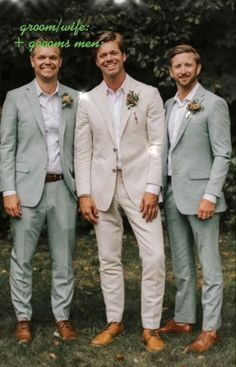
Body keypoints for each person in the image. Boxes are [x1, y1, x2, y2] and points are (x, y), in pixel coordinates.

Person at [74, 31, 165, 352]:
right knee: (108, 259)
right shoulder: (88, 101)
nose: (109, 59)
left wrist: (153, 188)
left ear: (123, 56)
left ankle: (151, 327)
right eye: (102, 56)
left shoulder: (148, 94)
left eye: (114, 53)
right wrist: (84, 193)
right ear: (97, 61)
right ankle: (115, 321)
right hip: (101, 190)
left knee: (153, 257)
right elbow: (82, 150)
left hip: (141, 190)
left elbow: (157, 144)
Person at [0, 39, 78, 344]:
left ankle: (62, 316)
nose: (47, 62)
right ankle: (23, 318)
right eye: (41, 57)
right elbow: (6, 146)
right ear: (32, 62)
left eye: (53, 57)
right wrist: (8, 190)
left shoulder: (73, 97)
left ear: (60, 62)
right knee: (22, 257)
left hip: (64, 189)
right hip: (26, 189)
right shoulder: (16, 97)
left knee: (64, 257)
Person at [159, 45, 231, 353]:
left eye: (189, 65)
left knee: (210, 267)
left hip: (203, 197)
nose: (183, 70)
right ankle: (184, 318)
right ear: (171, 71)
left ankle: (210, 328)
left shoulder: (213, 104)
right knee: (182, 263)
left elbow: (223, 153)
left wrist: (210, 196)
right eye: (178, 66)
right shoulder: (167, 105)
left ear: (197, 69)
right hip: (173, 192)